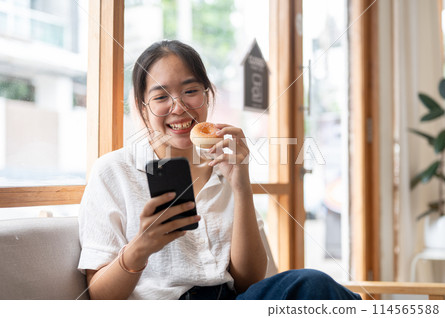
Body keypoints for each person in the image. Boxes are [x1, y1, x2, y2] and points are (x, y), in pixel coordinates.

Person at [77, 40, 361, 300]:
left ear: (207, 95)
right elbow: (100, 298)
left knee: (312, 284)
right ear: (143, 108)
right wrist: (141, 247)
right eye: (161, 97)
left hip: (232, 303)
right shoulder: (113, 172)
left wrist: (241, 184)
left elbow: (248, 281)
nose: (179, 107)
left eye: (190, 91)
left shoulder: (225, 165)